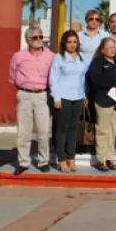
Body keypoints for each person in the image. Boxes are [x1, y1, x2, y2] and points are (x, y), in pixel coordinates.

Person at [9, 27, 54, 175]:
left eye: (41, 36)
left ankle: (43, 161)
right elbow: (13, 76)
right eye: (35, 37)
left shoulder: (51, 56)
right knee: (24, 131)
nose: (39, 39)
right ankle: (23, 162)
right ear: (28, 39)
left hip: (42, 95)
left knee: (43, 130)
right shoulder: (18, 56)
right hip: (24, 94)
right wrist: (25, 88)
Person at [87, 38, 116, 171]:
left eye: (114, 47)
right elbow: (95, 78)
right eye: (109, 47)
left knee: (113, 130)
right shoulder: (97, 63)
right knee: (103, 130)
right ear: (102, 50)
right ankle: (101, 159)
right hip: (104, 100)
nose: (113, 49)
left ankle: (110, 158)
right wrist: (115, 83)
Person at [49, 30, 89, 173]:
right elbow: (53, 79)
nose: (72, 45)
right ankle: (61, 159)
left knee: (74, 128)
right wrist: (56, 98)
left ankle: (71, 157)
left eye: (74, 42)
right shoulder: (59, 58)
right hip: (63, 98)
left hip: (78, 97)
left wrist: (84, 95)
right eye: (69, 42)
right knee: (62, 128)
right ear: (64, 43)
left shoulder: (82, 58)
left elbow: (83, 79)